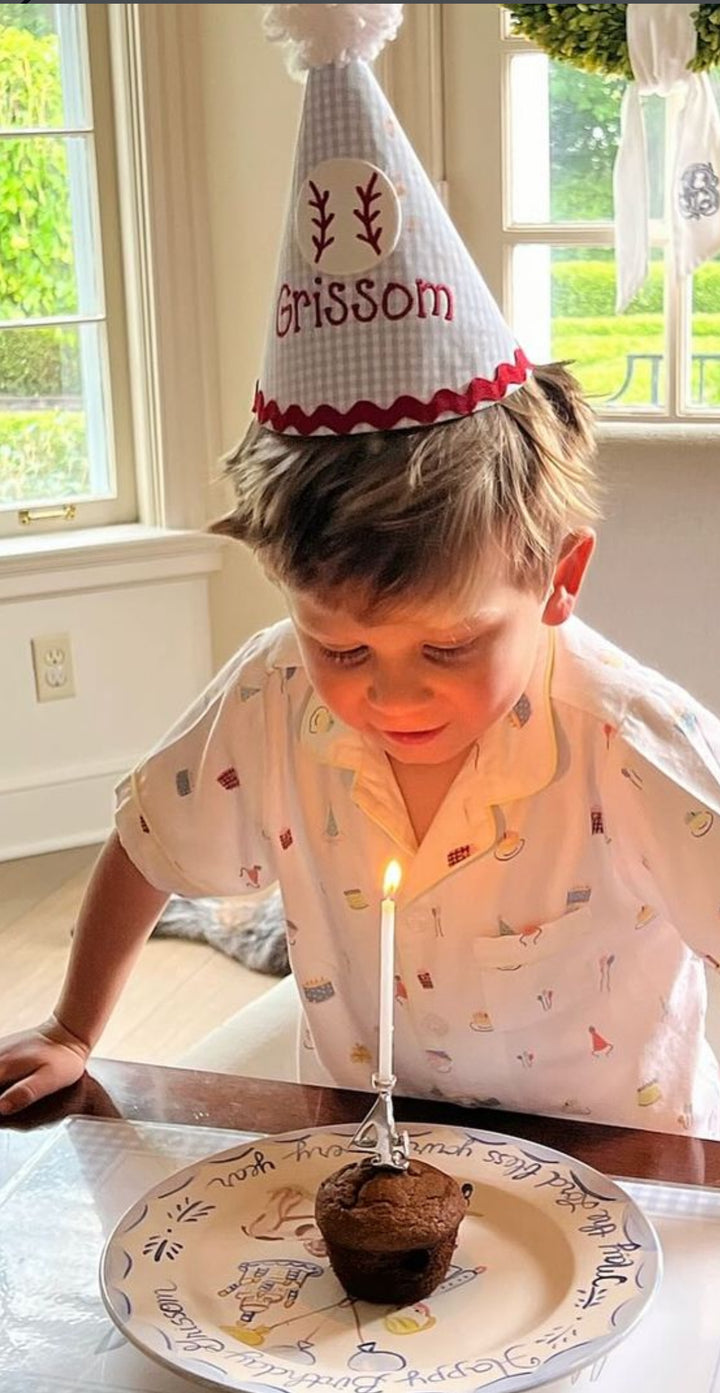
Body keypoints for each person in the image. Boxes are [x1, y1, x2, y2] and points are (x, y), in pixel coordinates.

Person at [1, 3, 719, 1137]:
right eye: (339, 644)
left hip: (614, 1176)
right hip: (364, 1148)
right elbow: (147, 841)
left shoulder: (630, 740)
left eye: (447, 644)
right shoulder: (271, 694)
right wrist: (75, 1025)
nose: (387, 693)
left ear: (558, 578)